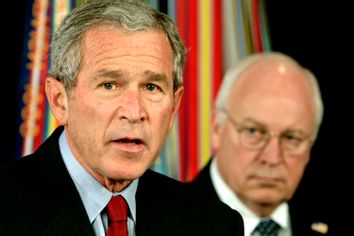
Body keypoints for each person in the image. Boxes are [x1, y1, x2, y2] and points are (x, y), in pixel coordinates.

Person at [0, 1, 244, 235]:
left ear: (173, 107)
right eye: (109, 85)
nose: (134, 112)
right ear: (59, 100)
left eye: (151, 87)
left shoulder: (214, 224)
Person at [191, 52, 333, 235]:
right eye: (253, 132)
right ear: (217, 128)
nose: (272, 158)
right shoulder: (163, 224)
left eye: (291, 138)